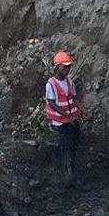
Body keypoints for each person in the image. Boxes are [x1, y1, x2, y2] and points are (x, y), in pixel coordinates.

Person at [45, 50, 82, 178]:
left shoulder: (69, 82)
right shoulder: (51, 84)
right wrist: (67, 117)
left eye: (69, 67)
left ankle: (67, 161)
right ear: (57, 67)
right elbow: (52, 103)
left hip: (72, 118)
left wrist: (83, 111)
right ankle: (67, 169)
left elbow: (74, 98)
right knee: (68, 144)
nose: (67, 69)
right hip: (61, 121)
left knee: (75, 141)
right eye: (64, 67)